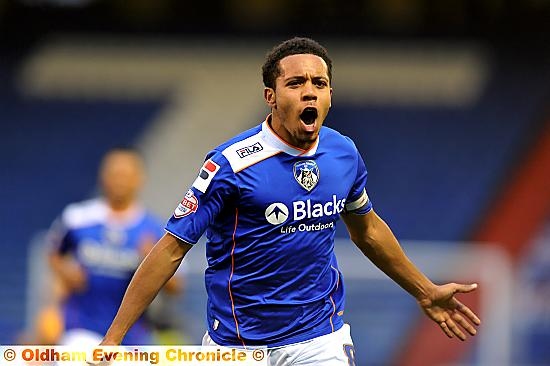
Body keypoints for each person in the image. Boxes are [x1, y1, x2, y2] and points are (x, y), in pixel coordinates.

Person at [100, 38, 481, 364]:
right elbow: (170, 249)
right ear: (271, 96)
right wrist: (114, 338)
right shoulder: (230, 164)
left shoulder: (343, 154)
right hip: (238, 343)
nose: (309, 91)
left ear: (330, 93)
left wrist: (425, 290)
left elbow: (367, 230)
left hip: (319, 339)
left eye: (319, 82)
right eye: (296, 83)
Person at [47, 147, 182, 346]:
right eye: (114, 174)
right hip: (82, 328)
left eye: (125, 175)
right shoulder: (78, 218)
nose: (119, 180)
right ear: (103, 176)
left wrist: (152, 262)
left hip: (134, 336)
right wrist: (66, 273)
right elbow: (53, 252)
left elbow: (176, 287)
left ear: (139, 178)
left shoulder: (155, 230)